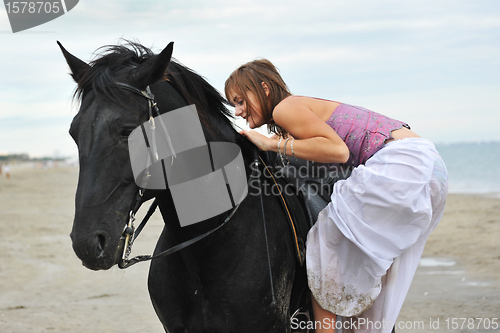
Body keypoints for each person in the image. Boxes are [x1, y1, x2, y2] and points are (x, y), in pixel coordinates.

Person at [225, 59, 448, 333]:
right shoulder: (302, 107)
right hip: (430, 168)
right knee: (366, 261)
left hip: (402, 163)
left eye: (240, 101)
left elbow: (338, 152)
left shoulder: (286, 108)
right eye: (233, 105)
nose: (238, 111)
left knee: (324, 241)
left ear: (264, 88)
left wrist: (271, 143)